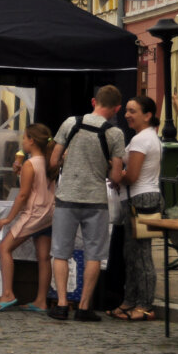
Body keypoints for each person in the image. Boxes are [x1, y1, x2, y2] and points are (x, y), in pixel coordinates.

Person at [48, 85, 126, 322]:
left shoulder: (70, 123)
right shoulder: (115, 134)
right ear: (117, 108)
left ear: (94, 102)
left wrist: (66, 160)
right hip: (95, 200)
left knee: (60, 252)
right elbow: (114, 176)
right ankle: (83, 307)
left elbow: (52, 161)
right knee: (94, 254)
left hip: (67, 197)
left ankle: (61, 304)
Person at [0, 124, 56, 314]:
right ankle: (41, 300)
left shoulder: (30, 164)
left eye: (25, 138)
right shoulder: (49, 161)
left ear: (32, 141)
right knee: (43, 257)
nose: (23, 141)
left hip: (34, 213)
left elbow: (23, 195)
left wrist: (9, 218)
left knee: (4, 248)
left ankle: (8, 293)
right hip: (49, 213)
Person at [113, 96, 163, 321]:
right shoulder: (144, 137)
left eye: (132, 111)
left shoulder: (143, 139)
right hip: (138, 198)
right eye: (126, 110)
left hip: (141, 199)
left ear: (147, 115)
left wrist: (116, 176)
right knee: (131, 254)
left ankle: (145, 305)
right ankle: (130, 300)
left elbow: (132, 175)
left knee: (141, 256)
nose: (127, 115)